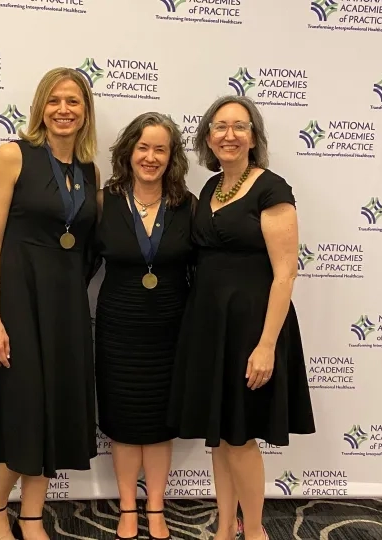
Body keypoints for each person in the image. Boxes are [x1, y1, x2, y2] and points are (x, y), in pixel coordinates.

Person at [167, 95, 316, 540]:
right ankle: (223, 528)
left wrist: (266, 345)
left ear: (254, 137)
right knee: (221, 436)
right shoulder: (212, 188)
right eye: (220, 127)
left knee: (241, 438)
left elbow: (285, 274)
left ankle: (253, 531)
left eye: (239, 126)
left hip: (251, 327)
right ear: (208, 137)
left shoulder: (272, 189)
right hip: (211, 326)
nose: (229, 135)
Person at [0, 67, 100, 540]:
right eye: (54, 100)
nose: (64, 110)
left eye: (74, 101)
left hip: (65, 307)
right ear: (40, 108)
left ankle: (31, 516)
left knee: (53, 410)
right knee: (20, 409)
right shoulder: (13, 156)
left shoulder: (89, 171)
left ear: (86, 112)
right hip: (18, 303)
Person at [94, 112, 195, 540]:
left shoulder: (188, 205)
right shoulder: (105, 202)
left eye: (160, 149)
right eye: (143, 147)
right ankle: (127, 508)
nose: (150, 157)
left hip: (171, 329)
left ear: (172, 157)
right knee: (123, 421)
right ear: (128, 152)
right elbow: (79, 263)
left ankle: (155, 507)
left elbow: (202, 268)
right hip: (118, 327)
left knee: (158, 423)